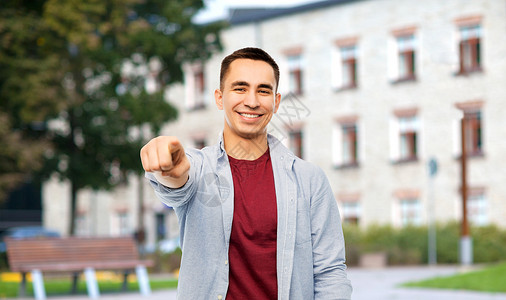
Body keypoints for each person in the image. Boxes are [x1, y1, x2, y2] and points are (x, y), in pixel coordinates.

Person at [140, 47, 352, 299]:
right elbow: (177, 183)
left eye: (263, 90)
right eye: (240, 88)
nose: (252, 101)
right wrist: (168, 172)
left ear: (276, 102)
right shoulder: (199, 169)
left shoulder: (309, 180)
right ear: (219, 98)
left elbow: (330, 271)